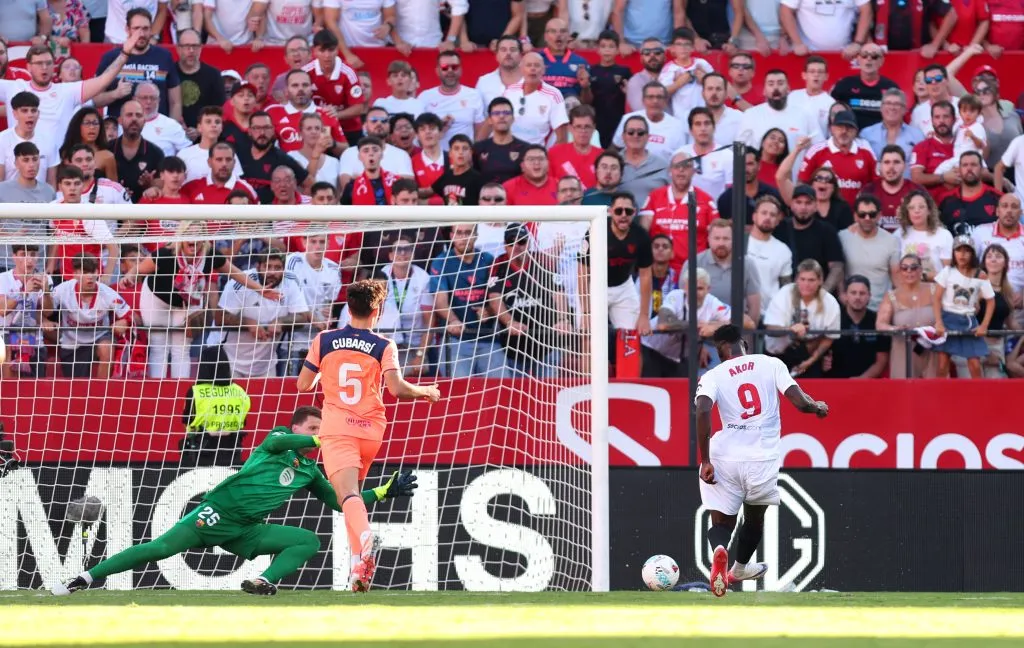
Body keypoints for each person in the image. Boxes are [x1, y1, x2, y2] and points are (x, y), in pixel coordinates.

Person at [53, 406, 420, 596]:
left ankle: (262, 581)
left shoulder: (311, 472)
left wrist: (384, 491)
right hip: (216, 513)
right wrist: (324, 439)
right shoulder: (277, 440)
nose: (316, 434)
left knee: (307, 541)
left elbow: (341, 503)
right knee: (160, 548)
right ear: (296, 428)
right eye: (312, 428)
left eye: (319, 430)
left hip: (246, 529)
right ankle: (84, 577)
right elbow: (279, 442)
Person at [296, 283, 441, 591]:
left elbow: (303, 385)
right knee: (353, 500)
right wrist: (425, 391)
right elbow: (397, 389)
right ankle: (357, 572)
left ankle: (366, 541)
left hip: (338, 429)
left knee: (347, 496)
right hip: (372, 430)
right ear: (378, 311)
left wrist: (324, 369)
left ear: (348, 309)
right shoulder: (384, 344)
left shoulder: (325, 340)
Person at [695, 324, 828, 598]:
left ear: (720, 352)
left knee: (721, 523)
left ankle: (720, 549)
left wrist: (705, 459)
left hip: (724, 455)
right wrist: (817, 407)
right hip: (762, 458)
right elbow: (800, 403)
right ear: (744, 344)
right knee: (754, 519)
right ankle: (740, 567)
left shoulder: (713, 375)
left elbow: (703, 409)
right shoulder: (771, 364)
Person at [578, 192, 653, 337]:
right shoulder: (596, 231)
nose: (623, 215)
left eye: (628, 211)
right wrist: (586, 312)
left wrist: (644, 316)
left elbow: (645, 275)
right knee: (587, 335)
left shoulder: (641, 236)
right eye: (619, 211)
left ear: (634, 213)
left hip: (623, 287)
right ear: (610, 211)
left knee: (631, 337)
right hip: (594, 287)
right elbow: (582, 272)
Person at [763, 258, 841, 377]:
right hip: (777, 355)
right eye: (802, 279)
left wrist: (810, 361)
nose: (806, 284)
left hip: (810, 356)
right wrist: (790, 330)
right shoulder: (784, 293)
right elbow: (770, 328)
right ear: (796, 280)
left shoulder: (830, 302)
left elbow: (829, 337)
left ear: (820, 280)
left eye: (811, 280)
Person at [932, 235, 996, 379]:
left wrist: (984, 325)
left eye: (967, 250)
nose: (962, 254)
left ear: (972, 253)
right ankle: (940, 392)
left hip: (968, 320)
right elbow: (936, 298)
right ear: (953, 253)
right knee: (942, 365)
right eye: (958, 250)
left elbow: (991, 301)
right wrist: (939, 322)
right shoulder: (947, 271)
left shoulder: (980, 275)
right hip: (948, 318)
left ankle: (978, 393)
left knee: (974, 365)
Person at [876, 253, 939, 379]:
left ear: (920, 270)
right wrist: (895, 329)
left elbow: (949, 314)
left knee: (936, 388)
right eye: (904, 268)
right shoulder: (891, 296)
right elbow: (880, 324)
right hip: (903, 349)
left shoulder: (935, 289)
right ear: (900, 272)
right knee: (904, 388)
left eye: (913, 267)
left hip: (933, 350)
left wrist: (938, 327)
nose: (909, 271)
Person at [0, 244, 53, 379]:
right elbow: (3, 310)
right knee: (12, 388)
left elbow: (48, 312)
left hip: (35, 341)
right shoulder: (2, 279)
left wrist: (46, 292)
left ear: (38, 257)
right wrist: (24, 292)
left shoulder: (45, 278)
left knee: (36, 388)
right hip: (7, 338)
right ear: (14, 257)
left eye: (33, 255)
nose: (29, 259)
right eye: (23, 254)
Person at [839, 194, 900, 310]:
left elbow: (896, 276)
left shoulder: (891, 241)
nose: (867, 218)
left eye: (872, 214)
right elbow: (838, 270)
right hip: (850, 307)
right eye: (862, 215)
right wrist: (841, 294)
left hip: (880, 307)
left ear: (879, 216)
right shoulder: (843, 237)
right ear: (855, 216)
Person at [826, 275, 890, 379]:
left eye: (862, 293)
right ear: (845, 295)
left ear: (869, 296)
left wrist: (861, 380)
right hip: (836, 381)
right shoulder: (832, 319)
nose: (857, 297)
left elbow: (882, 360)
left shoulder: (878, 321)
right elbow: (824, 353)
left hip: (870, 382)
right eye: (853, 293)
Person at [829, 43, 899, 129]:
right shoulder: (844, 84)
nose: (869, 59)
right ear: (858, 59)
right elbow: (830, 110)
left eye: (874, 56)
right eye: (864, 55)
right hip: (851, 134)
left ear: (881, 61)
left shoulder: (891, 88)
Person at [862, 145, 926, 234]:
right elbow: (859, 224)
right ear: (880, 166)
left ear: (904, 166)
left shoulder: (917, 191)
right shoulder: (868, 191)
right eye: (887, 162)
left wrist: (908, 218)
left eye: (896, 162)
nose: (891, 167)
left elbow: (931, 224)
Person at [895, 190, 953, 283]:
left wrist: (923, 275)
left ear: (929, 210)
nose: (916, 211)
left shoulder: (944, 235)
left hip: (934, 288)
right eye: (911, 208)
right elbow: (895, 270)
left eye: (921, 207)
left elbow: (947, 273)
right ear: (907, 212)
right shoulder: (899, 234)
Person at [978, 243, 1017, 378]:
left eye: (998, 256)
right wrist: (985, 351)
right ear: (984, 263)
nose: (993, 259)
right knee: (971, 389)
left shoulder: (1008, 291)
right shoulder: (977, 286)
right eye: (989, 256)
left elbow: (1011, 322)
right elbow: (968, 319)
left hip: (997, 346)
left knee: (996, 388)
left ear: (1005, 263)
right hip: (974, 345)